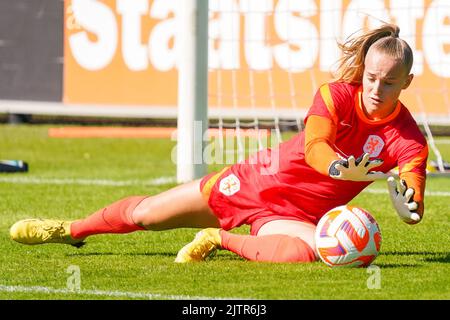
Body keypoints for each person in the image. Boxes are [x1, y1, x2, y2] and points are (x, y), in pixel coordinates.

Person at [10, 23, 428, 264]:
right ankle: (69, 230)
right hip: (256, 182)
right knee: (147, 215)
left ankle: (218, 238)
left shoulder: (408, 138)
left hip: (299, 216)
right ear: (364, 70)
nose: (375, 88)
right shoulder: (334, 94)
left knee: (312, 253)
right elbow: (317, 143)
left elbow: (414, 197)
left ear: (406, 82)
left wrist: (408, 204)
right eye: (371, 77)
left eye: (389, 82)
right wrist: (338, 168)